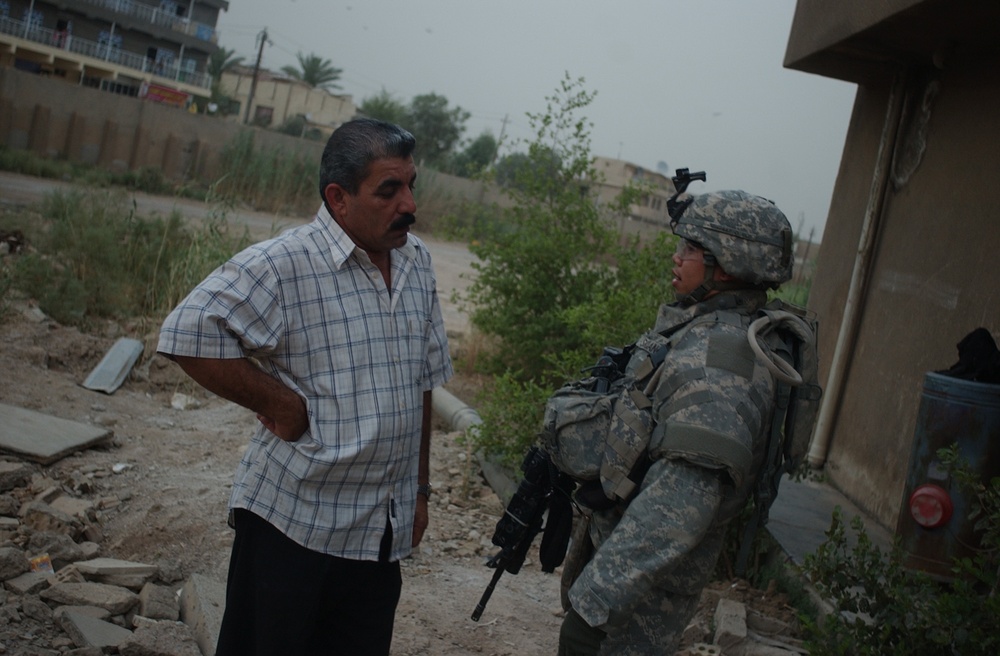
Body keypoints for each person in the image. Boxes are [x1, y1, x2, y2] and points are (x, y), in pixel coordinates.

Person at [157, 118, 453, 656]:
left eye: (412, 186)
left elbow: (425, 381)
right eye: (389, 190)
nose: (409, 204)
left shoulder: (417, 262)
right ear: (338, 198)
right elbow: (187, 330)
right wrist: (279, 402)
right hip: (292, 525)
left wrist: (420, 490)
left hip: (378, 531)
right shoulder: (285, 263)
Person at [556, 190, 796, 655]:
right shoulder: (706, 327)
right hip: (633, 578)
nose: (677, 255)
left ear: (724, 266)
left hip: (643, 594)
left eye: (689, 247)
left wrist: (593, 609)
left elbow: (678, 506)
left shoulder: (723, 364)